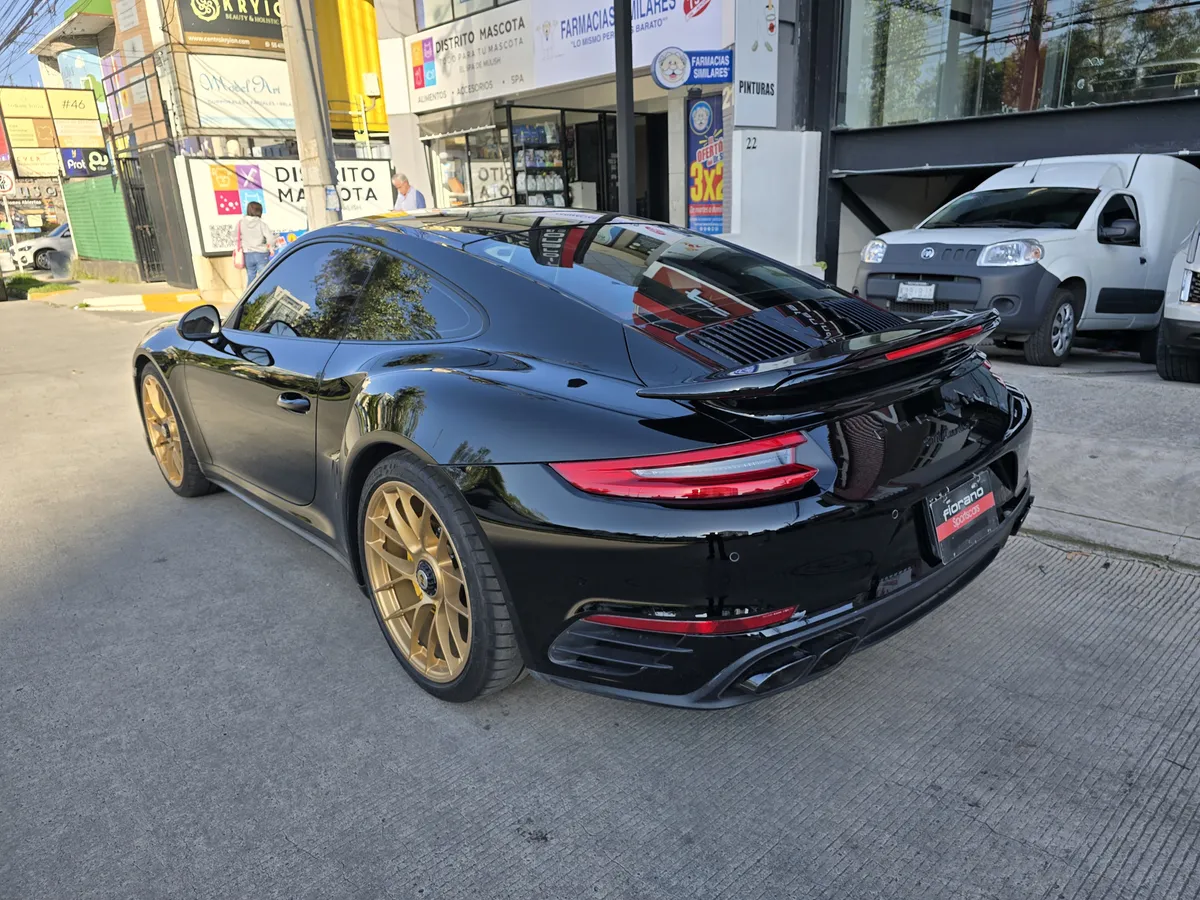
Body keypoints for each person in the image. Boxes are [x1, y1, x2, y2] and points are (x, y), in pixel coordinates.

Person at [237, 202, 275, 284]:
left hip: (247, 254)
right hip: (261, 253)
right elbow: (270, 237)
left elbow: (236, 237)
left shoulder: (241, 223)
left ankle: (250, 292)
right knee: (264, 278)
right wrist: (271, 248)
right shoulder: (261, 224)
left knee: (251, 279)